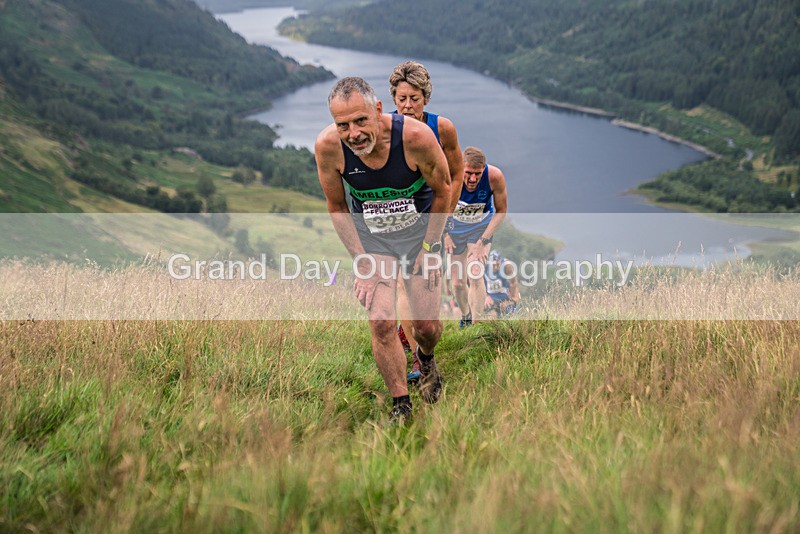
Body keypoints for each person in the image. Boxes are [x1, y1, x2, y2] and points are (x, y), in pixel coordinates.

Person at [315, 77, 451, 422]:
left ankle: (426, 357)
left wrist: (430, 247)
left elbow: (444, 190)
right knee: (380, 322)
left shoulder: (416, 139)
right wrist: (362, 261)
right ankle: (401, 405)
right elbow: (337, 206)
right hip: (374, 241)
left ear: (378, 110)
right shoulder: (329, 147)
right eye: (342, 124)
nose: (354, 133)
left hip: (420, 234)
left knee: (427, 326)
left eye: (361, 120)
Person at [388, 61, 464, 361]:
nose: (407, 106)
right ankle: (416, 360)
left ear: (426, 99)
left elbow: (456, 175)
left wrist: (445, 217)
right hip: (395, 221)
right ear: (393, 99)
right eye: (402, 99)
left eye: (414, 99)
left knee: (427, 310)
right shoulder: (384, 128)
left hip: (430, 219)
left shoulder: (442, 128)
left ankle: (424, 346)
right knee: (402, 285)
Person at [445, 146, 508, 327]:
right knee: (457, 283)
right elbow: (436, 207)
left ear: (484, 169)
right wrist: (445, 235)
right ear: (461, 167)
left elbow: (501, 211)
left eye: (478, 174)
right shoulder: (449, 175)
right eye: (469, 173)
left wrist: (483, 241)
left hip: (479, 229)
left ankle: (476, 324)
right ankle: (466, 316)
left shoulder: (494, 177)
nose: (473, 179)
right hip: (454, 231)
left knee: (475, 273)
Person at [484, 250, 521, 317]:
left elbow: (514, 283)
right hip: (491, 297)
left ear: (500, 260)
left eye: (497, 264)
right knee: (491, 316)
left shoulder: (507, 266)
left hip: (504, 297)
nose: (495, 266)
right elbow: (478, 285)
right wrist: (486, 296)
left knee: (509, 315)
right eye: (493, 264)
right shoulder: (484, 266)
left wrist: (512, 299)